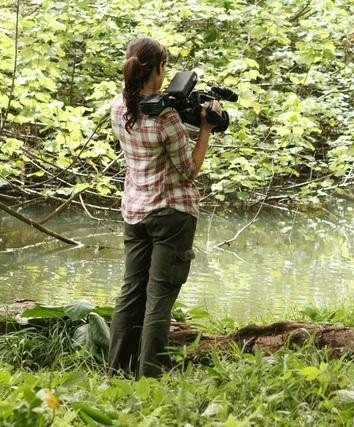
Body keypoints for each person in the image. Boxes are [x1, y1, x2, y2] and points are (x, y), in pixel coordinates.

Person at [108, 37, 224, 378]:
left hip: (135, 210)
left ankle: (116, 371)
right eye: (164, 68)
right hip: (171, 213)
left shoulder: (119, 107)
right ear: (158, 69)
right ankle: (150, 376)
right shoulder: (167, 118)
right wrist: (205, 128)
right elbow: (188, 170)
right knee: (159, 297)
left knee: (131, 292)